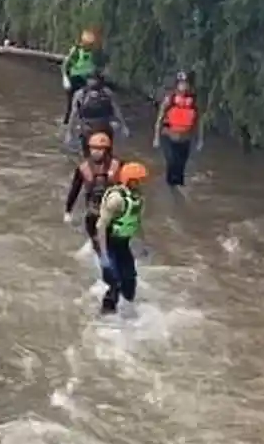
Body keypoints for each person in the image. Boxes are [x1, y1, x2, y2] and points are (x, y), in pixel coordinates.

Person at [95, 161, 149, 314]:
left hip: (123, 244)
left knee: (130, 281)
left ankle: (128, 314)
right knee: (114, 281)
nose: (142, 184)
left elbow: (137, 222)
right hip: (109, 242)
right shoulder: (116, 200)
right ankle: (106, 317)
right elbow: (101, 226)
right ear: (130, 180)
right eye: (139, 181)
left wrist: (143, 244)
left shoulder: (137, 199)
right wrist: (104, 255)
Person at [64, 132, 123, 250]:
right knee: (96, 236)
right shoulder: (83, 168)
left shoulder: (118, 165)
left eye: (100, 149)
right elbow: (75, 189)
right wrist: (68, 211)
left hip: (113, 209)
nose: (96, 151)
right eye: (93, 148)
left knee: (114, 241)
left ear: (106, 150)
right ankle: (96, 248)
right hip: (93, 211)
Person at [153, 71, 202, 186]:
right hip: (169, 138)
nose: (183, 86)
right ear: (177, 85)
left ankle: (178, 193)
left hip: (185, 140)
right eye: (181, 83)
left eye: (186, 83)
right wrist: (156, 138)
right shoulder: (170, 99)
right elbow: (159, 119)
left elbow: (198, 122)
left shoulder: (193, 101)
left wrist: (199, 139)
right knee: (171, 163)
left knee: (180, 168)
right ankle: (169, 187)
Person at [70, 73, 129, 157]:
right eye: (90, 80)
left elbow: (116, 110)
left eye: (94, 80)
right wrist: (70, 131)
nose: (92, 82)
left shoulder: (107, 93)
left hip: (103, 126)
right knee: (87, 153)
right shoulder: (81, 94)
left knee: (105, 152)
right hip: (88, 127)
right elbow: (74, 113)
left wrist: (123, 125)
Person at [60, 29, 103, 124]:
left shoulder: (94, 53)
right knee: (71, 104)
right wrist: (65, 78)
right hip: (74, 80)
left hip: (87, 80)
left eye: (91, 44)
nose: (89, 46)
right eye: (88, 44)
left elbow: (95, 66)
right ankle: (67, 124)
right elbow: (65, 64)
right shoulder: (76, 50)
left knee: (87, 102)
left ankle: (84, 122)